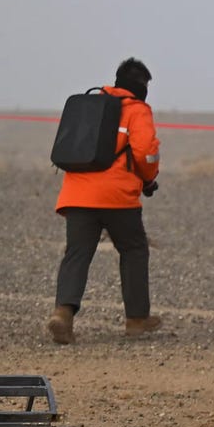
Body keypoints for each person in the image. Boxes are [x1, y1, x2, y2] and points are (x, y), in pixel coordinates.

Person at [48, 58, 162, 343]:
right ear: (142, 86)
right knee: (134, 248)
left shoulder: (91, 106)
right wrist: (149, 179)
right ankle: (136, 319)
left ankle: (63, 314)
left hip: (77, 194)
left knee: (77, 253)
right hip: (117, 197)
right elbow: (146, 153)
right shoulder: (137, 111)